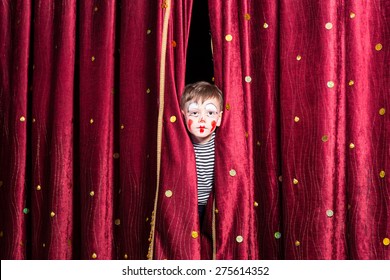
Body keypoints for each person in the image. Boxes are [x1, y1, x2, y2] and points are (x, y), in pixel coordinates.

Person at [180, 81, 223, 222]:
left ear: (219, 119)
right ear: (183, 116)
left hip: (214, 206)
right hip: (188, 207)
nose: (202, 119)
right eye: (194, 113)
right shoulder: (179, 145)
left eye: (210, 112)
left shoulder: (223, 145)